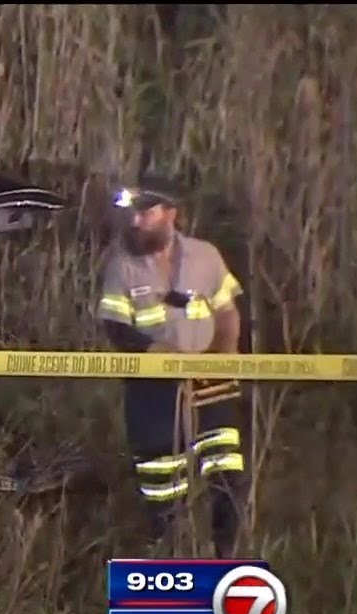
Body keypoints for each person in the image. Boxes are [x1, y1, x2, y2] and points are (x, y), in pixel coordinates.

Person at [96, 176, 249, 557]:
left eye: (145, 213)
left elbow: (228, 314)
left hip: (211, 384)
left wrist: (222, 358)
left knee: (226, 475)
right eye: (133, 214)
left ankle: (224, 558)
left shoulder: (206, 256)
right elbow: (115, 327)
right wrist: (155, 351)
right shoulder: (121, 266)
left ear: (170, 214)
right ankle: (168, 556)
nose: (136, 222)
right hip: (152, 389)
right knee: (162, 485)